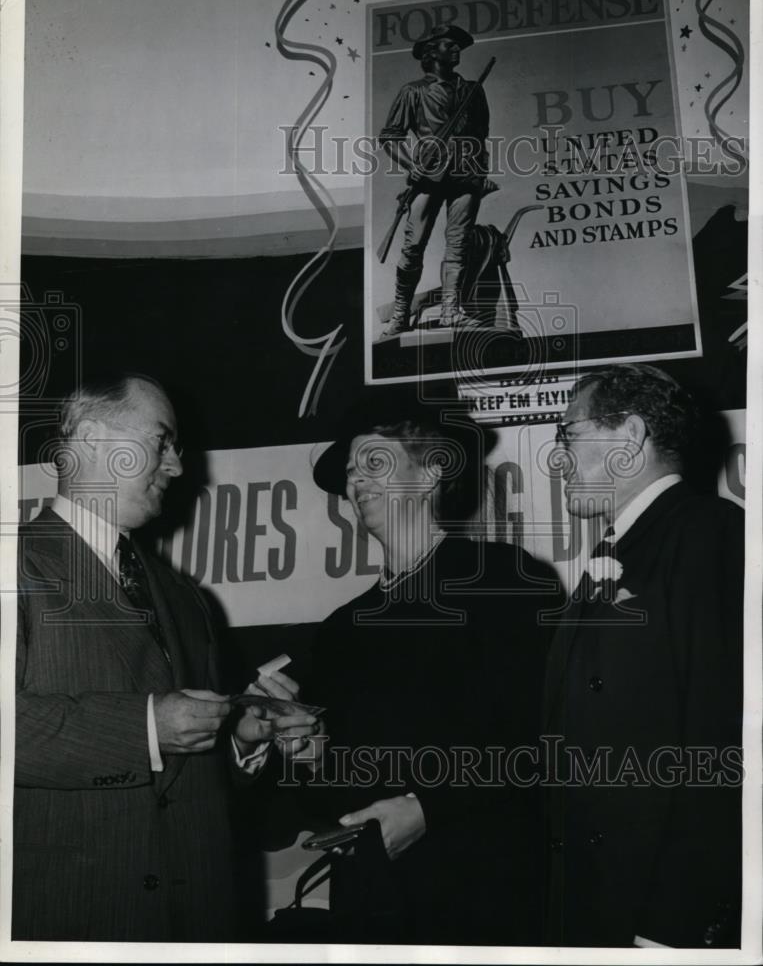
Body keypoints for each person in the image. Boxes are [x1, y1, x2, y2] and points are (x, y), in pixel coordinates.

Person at [14, 373, 315, 941]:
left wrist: (238, 740)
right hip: (70, 915)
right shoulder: (14, 565)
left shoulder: (185, 598)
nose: (176, 467)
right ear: (92, 437)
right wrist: (147, 727)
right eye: (162, 441)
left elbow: (185, 777)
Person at [302, 392, 562, 944]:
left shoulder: (504, 581)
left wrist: (428, 808)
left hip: (484, 899)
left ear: (429, 475)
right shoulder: (340, 629)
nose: (355, 480)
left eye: (374, 462)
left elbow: (541, 734)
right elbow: (328, 790)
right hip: (372, 907)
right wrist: (302, 750)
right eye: (349, 472)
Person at [543, 364, 743, 948]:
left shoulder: (711, 534)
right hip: (600, 900)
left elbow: (723, 739)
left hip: (657, 918)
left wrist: (674, 921)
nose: (558, 459)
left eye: (568, 434)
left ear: (629, 437)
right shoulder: (629, 546)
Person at [378, 23, 493, 335]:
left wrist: (481, 174)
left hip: (466, 174)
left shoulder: (474, 90)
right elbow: (389, 137)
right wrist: (410, 164)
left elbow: (481, 134)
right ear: (431, 51)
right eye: (448, 44)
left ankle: (450, 311)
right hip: (429, 176)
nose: (455, 49)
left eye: (457, 45)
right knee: (413, 246)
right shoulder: (413, 91)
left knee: (459, 244)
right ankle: (401, 314)